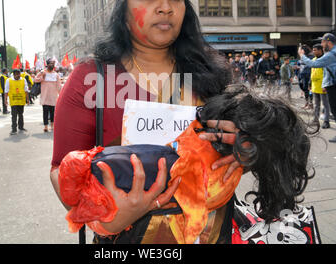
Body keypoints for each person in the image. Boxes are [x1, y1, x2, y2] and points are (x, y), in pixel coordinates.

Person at [50, 0, 239, 244]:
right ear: (123, 10)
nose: (166, 7)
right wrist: (111, 219)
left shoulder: (210, 72)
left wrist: (247, 147)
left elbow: (244, 144)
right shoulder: (89, 79)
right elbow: (61, 170)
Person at [58, 84, 316, 244]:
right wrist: (114, 222)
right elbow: (87, 195)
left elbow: (282, 137)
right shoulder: (99, 81)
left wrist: (257, 145)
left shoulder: (210, 82)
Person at [298, 33, 336, 142]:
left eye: (323, 42)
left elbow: (313, 64)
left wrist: (302, 55)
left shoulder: (330, 55)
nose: (322, 45)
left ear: (329, 42)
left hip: (332, 85)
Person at [34, 59, 62, 132]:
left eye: (53, 64)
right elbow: (35, 79)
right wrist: (42, 77)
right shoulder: (42, 72)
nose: (52, 65)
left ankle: (52, 126)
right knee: (45, 112)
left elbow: (59, 86)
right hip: (45, 96)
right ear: (47, 64)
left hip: (53, 97)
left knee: (53, 112)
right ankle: (46, 126)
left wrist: (61, 95)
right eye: (50, 63)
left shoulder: (56, 75)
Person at [310, 44, 331, 129]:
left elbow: (327, 74)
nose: (313, 52)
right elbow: (311, 73)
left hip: (323, 86)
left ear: (320, 50)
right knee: (316, 105)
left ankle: (326, 121)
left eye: (315, 50)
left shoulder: (325, 60)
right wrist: (309, 84)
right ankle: (315, 120)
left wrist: (325, 85)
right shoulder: (314, 60)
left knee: (325, 105)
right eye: (313, 50)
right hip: (315, 86)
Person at [4, 69, 29, 135]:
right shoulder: (8, 80)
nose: (19, 75)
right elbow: (6, 91)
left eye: (19, 74)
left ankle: (21, 127)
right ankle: (14, 129)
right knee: (14, 115)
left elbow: (26, 90)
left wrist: (28, 100)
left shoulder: (23, 80)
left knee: (21, 114)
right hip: (13, 101)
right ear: (14, 74)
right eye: (17, 74)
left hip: (21, 100)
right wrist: (5, 100)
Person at [298, 45, 314, 110]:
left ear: (303, 50)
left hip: (308, 76)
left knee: (309, 90)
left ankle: (310, 103)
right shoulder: (303, 57)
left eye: (299, 50)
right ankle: (307, 103)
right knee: (304, 89)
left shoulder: (311, 57)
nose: (298, 51)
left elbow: (310, 67)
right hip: (302, 76)